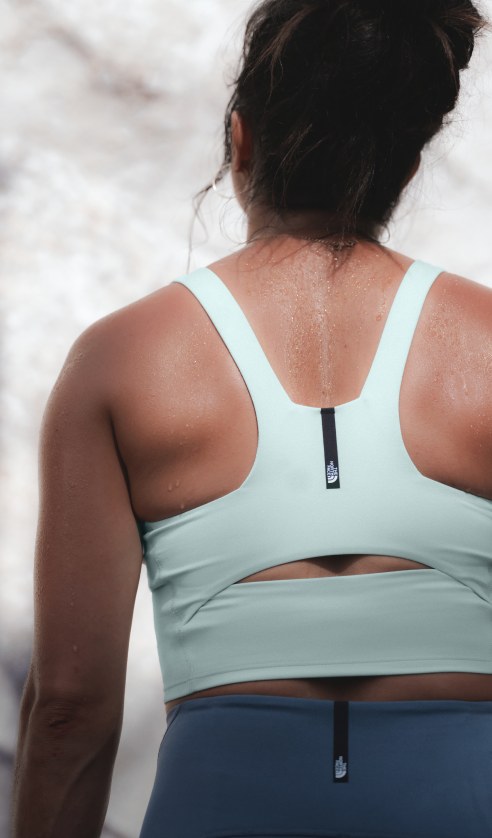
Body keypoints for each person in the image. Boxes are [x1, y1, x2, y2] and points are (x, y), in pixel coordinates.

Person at [10, 1, 492, 837]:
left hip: (221, 804)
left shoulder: (122, 359)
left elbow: (69, 713)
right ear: (406, 167)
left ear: (239, 140)